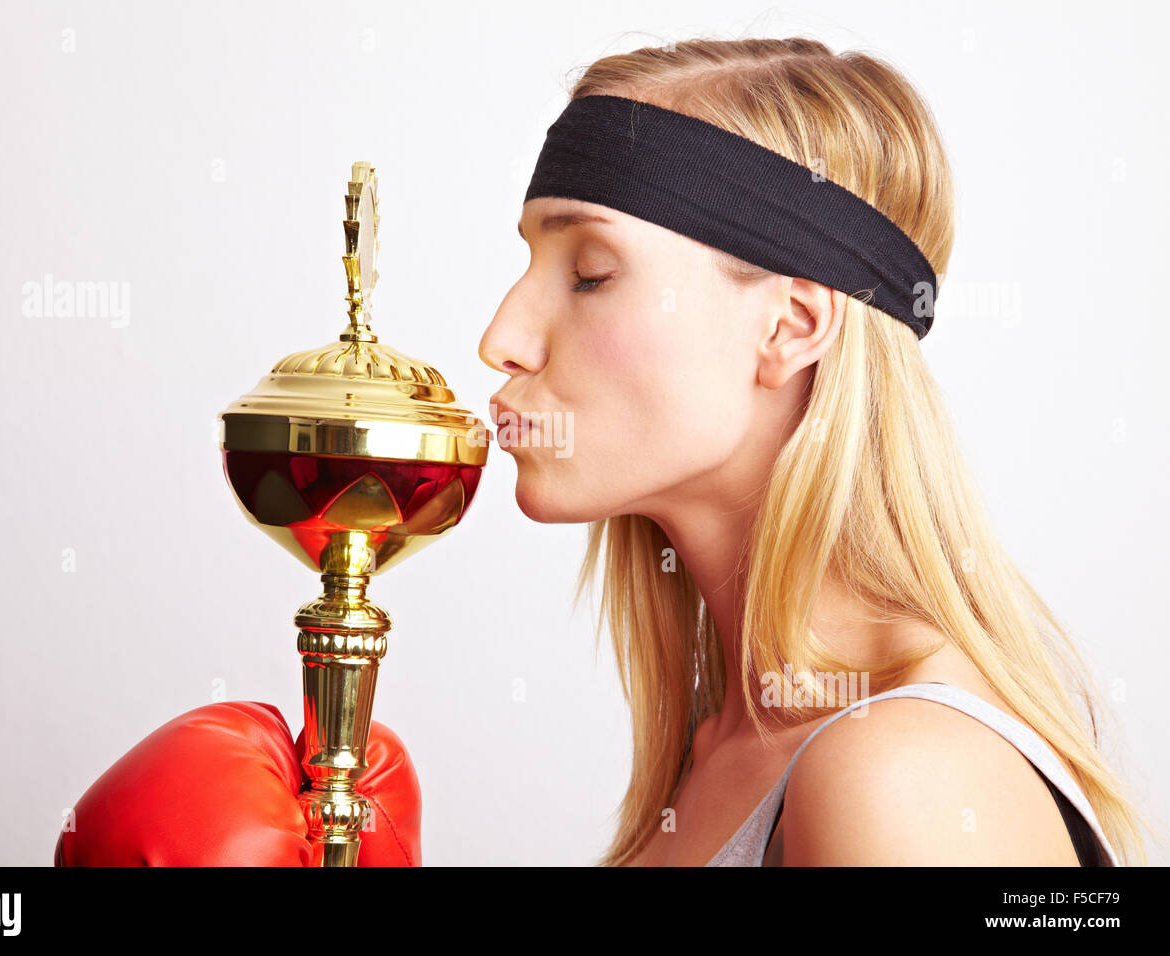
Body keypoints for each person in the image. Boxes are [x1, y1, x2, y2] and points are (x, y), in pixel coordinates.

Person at [478, 35, 1152, 866]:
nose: (501, 339)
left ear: (792, 326)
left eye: (589, 272)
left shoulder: (902, 777)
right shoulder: (723, 743)